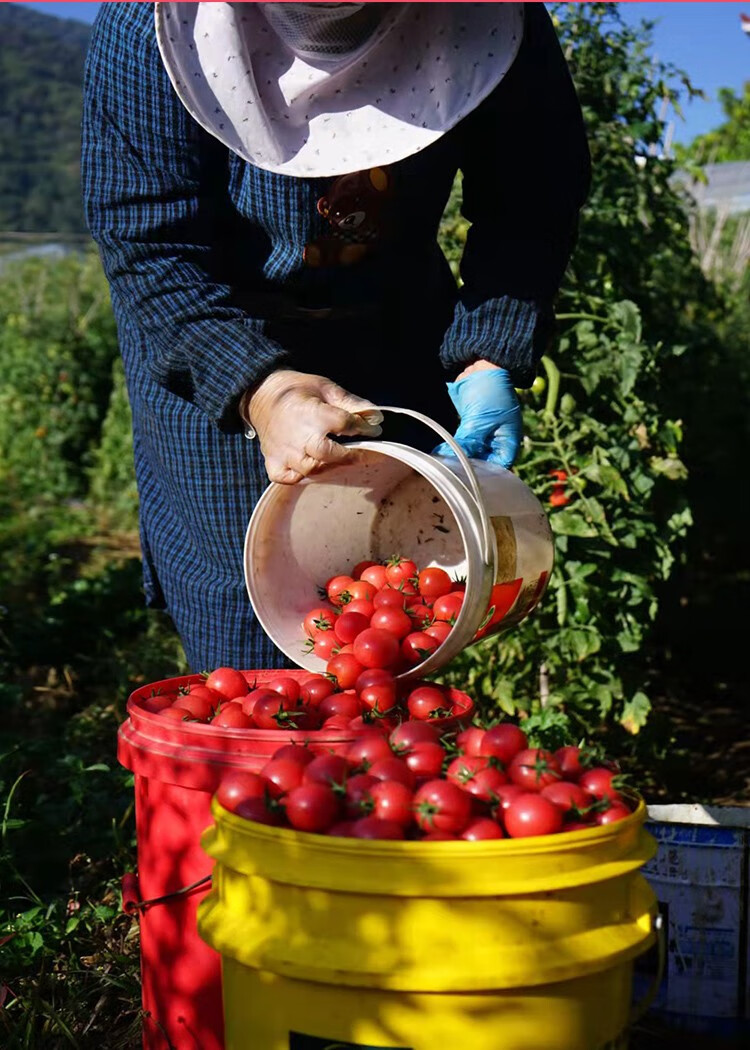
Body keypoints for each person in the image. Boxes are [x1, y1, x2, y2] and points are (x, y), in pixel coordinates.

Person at [81, 2, 590, 672]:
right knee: (250, 619)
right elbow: (150, 243)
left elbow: (532, 197)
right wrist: (260, 392)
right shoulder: (148, 25)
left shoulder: (491, 17)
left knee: (399, 593)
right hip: (215, 344)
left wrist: (485, 353)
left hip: (393, 335)